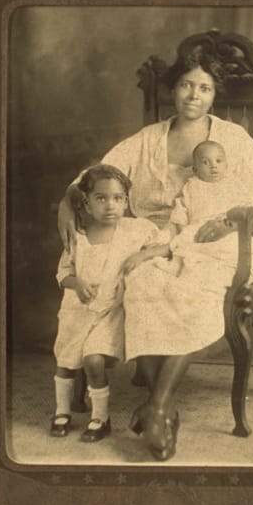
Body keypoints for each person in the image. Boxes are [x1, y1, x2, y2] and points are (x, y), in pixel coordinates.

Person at [57, 43, 253, 460]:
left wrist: (229, 223)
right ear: (172, 90)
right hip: (155, 240)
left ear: (215, 95)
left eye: (205, 88)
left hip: (220, 243)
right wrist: (66, 203)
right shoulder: (147, 139)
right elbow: (94, 174)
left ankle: (156, 408)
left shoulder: (234, 139)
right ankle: (164, 405)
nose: (194, 95)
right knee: (138, 280)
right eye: (186, 86)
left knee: (190, 291)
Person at [51, 165, 165, 443]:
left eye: (117, 198)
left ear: (126, 202)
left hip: (110, 312)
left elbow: (166, 245)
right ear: (86, 203)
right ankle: (61, 411)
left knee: (94, 360)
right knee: (65, 363)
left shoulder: (137, 231)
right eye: (101, 198)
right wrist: (76, 283)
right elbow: (63, 273)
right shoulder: (77, 235)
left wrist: (143, 257)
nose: (110, 205)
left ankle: (100, 417)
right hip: (77, 311)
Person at [157, 140, 253, 283]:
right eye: (205, 162)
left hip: (228, 230)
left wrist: (231, 225)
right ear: (195, 170)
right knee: (186, 246)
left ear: (226, 165)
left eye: (219, 161)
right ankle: (189, 271)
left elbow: (246, 210)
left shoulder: (234, 185)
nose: (213, 166)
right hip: (198, 232)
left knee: (231, 249)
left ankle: (225, 273)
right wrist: (184, 229)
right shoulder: (191, 187)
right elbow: (180, 212)